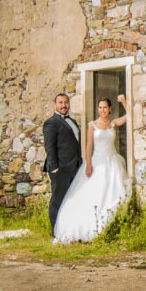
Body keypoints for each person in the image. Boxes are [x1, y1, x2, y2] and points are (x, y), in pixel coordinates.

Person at [53, 94, 130, 243]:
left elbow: (129, 116)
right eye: (100, 107)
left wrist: (124, 102)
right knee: (91, 193)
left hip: (112, 161)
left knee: (112, 191)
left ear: (110, 109)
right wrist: (88, 164)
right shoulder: (92, 125)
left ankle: (110, 226)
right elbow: (88, 147)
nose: (102, 110)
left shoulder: (113, 123)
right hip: (97, 162)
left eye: (105, 107)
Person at [42, 93, 83, 232]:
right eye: (60, 102)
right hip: (60, 169)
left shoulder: (73, 122)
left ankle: (68, 229)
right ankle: (55, 231)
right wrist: (54, 169)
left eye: (66, 102)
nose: (64, 105)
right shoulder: (51, 123)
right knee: (58, 201)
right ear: (55, 105)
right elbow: (49, 147)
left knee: (72, 200)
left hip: (75, 167)